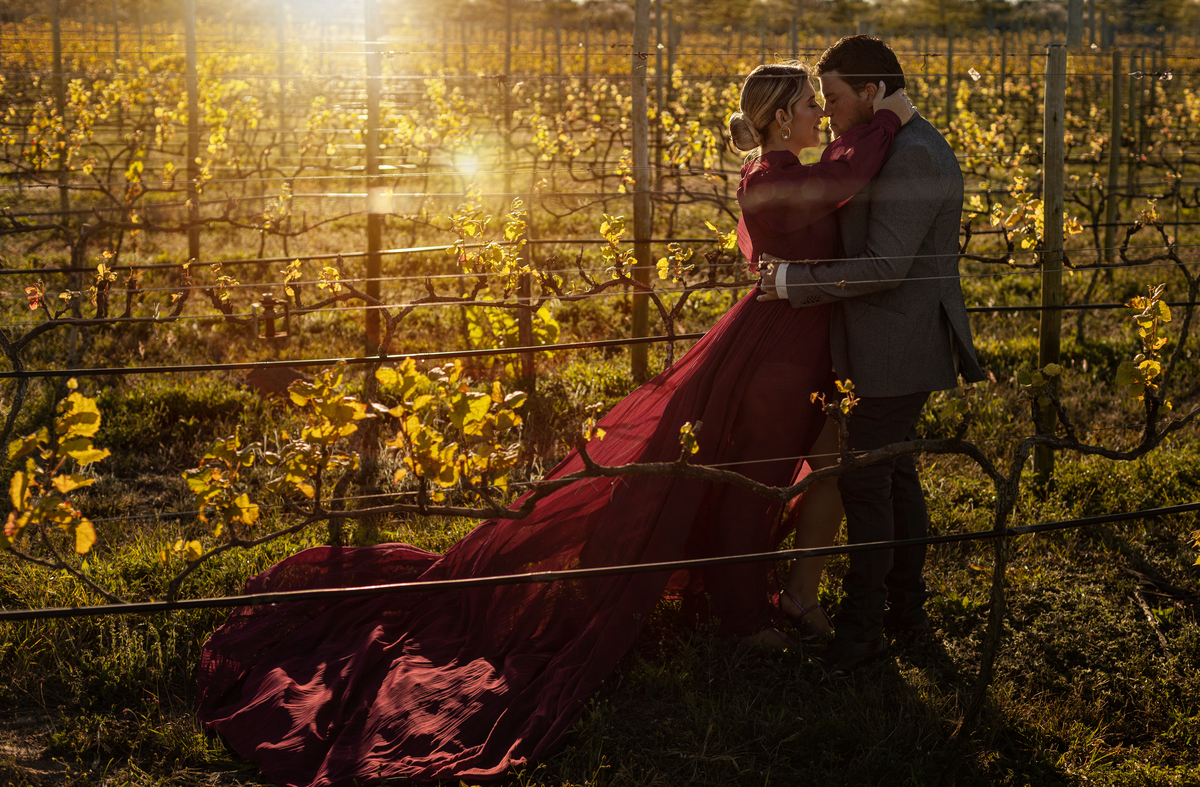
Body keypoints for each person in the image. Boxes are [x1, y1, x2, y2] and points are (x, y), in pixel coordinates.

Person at [195, 64, 910, 787]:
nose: (822, 113)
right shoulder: (771, 176)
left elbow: (841, 178)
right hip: (775, 348)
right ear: (782, 116)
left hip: (790, 341)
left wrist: (877, 122)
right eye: (810, 104)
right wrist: (887, 118)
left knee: (755, 472)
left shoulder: (782, 163)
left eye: (825, 103)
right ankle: (740, 617)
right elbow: (847, 174)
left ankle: (739, 598)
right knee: (749, 476)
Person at [758, 36, 987, 675]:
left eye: (832, 97)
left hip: (898, 343)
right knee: (892, 474)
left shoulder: (916, 158)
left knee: (867, 480)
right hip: (877, 340)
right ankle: (904, 612)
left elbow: (887, 265)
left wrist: (789, 283)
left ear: (871, 91)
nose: (826, 112)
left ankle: (863, 633)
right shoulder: (886, 142)